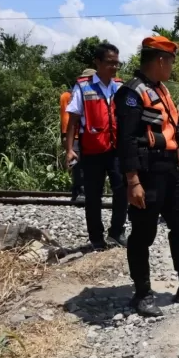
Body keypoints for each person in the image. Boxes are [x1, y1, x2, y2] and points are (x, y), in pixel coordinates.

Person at [115, 36, 179, 317]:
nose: (173, 66)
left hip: (171, 171)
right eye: (171, 61)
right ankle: (142, 293)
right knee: (143, 234)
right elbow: (125, 141)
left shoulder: (160, 89)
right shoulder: (132, 93)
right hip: (147, 174)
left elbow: (171, 125)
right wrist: (133, 181)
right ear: (160, 60)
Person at [65, 48, 127, 250]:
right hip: (92, 150)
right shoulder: (83, 87)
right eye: (110, 62)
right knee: (93, 196)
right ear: (98, 63)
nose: (114, 67)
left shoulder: (119, 86)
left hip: (116, 148)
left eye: (117, 62)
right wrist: (69, 149)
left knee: (122, 191)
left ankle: (117, 232)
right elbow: (73, 120)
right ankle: (96, 238)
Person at [60, 70, 93, 202]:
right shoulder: (68, 96)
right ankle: (78, 191)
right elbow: (66, 120)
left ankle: (86, 192)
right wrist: (66, 138)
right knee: (77, 166)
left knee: (89, 166)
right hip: (75, 137)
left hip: (89, 136)